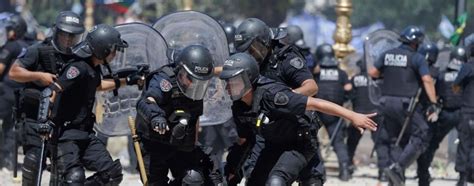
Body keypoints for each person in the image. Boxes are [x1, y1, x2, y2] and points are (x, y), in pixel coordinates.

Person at [221, 52, 378, 185]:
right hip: (273, 145)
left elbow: (316, 104)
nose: (228, 86)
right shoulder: (239, 106)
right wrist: (232, 169)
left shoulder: (273, 95)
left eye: (233, 81)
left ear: (249, 79)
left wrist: (353, 116)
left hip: (299, 144)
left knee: (276, 181)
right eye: (226, 81)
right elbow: (244, 141)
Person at [36, 23, 142, 185]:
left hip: (85, 134)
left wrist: (127, 80)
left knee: (112, 174)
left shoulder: (93, 68)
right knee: (74, 178)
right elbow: (51, 91)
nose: (115, 54)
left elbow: (98, 85)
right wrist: (44, 121)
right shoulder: (78, 67)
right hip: (65, 135)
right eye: (113, 50)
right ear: (103, 49)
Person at [232, 17, 324, 185]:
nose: (249, 56)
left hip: (297, 125)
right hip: (268, 126)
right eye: (246, 52)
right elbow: (228, 69)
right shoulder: (253, 59)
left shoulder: (285, 58)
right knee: (256, 177)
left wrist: (285, 99)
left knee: (311, 179)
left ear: (264, 42)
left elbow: (311, 87)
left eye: (252, 50)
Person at [8, 11, 85, 185]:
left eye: (72, 37)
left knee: (62, 171)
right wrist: (39, 76)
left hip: (64, 123)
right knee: (33, 164)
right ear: (57, 32)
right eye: (65, 35)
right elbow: (14, 72)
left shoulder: (79, 56)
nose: (68, 41)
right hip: (35, 119)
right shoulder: (38, 50)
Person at [135, 44, 218, 185]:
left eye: (200, 82)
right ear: (180, 71)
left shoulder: (196, 89)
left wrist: (193, 146)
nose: (194, 85)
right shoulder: (164, 80)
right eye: (191, 79)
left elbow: (195, 119)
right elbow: (147, 101)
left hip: (178, 143)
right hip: (153, 143)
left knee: (194, 179)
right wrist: (156, 117)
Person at [368, 25, 439, 186]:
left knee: (396, 139)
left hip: (385, 103)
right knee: (422, 134)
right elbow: (427, 80)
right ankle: (398, 169)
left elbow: (373, 72)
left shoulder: (387, 54)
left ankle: (395, 180)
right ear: (416, 43)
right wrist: (433, 103)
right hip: (405, 104)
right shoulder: (416, 58)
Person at [416, 45, 465, 186]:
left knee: (432, 144)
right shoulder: (468, 73)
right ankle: (464, 178)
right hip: (464, 113)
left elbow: (435, 93)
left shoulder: (441, 74)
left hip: (446, 113)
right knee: (466, 145)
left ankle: (423, 175)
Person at [313, 43, 353, 181]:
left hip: (316, 110)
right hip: (335, 112)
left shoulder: (315, 73)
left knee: (312, 140)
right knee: (338, 142)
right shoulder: (341, 73)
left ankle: (319, 171)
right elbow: (348, 88)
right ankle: (345, 171)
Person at [346, 59, 387, 181]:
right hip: (376, 113)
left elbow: (350, 95)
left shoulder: (355, 79)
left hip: (359, 114)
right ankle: (383, 173)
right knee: (381, 144)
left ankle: (347, 168)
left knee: (351, 143)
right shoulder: (379, 78)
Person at [0, 13, 28, 170]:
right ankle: (9, 161)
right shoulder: (27, 47)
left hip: (4, 93)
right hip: (19, 95)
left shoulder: (10, 46)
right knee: (11, 128)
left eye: (9, 29)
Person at [452, 33, 474, 186]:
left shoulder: (467, 67)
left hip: (468, 110)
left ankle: (463, 179)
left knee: (465, 143)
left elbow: (456, 86)